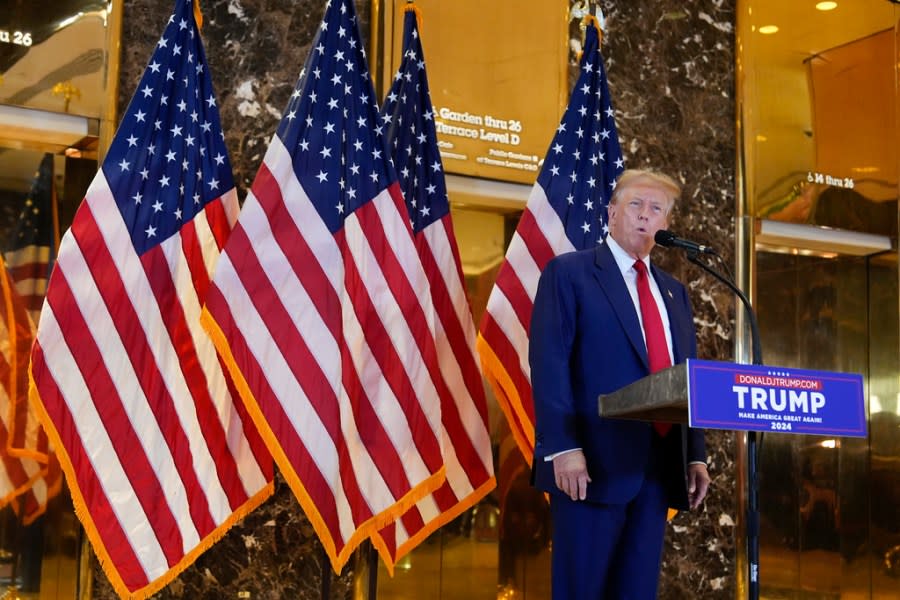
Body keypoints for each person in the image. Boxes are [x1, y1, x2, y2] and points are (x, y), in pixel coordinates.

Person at [529, 169, 711, 599]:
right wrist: (563, 447)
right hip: (589, 469)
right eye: (635, 205)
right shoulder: (569, 273)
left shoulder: (674, 293)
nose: (645, 216)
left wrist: (695, 454)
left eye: (656, 209)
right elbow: (549, 362)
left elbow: (687, 377)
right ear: (611, 213)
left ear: (665, 224)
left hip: (656, 471)